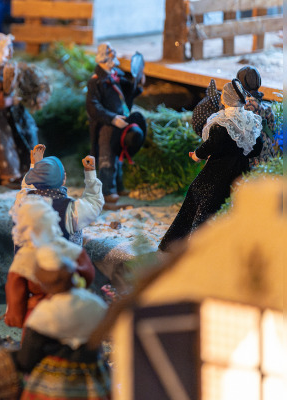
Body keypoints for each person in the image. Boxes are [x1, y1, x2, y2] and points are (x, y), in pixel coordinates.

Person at [158, 80, 264, 251]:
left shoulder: (223, 121)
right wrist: (241, 152)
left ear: (226, 99)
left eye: (223, 94)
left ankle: (187, 243)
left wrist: (197, 155)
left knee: (201, 197)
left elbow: (213, 144)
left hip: (218, 171)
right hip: (239, 171)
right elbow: (256, 149)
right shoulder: (250, 121)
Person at [10, 244, 111, 400]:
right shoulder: (95, 303)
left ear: (43, 284)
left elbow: (29, 355)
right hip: (92, 369)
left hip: (53, 376)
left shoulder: (45, 312)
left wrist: (17, 364)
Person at [5, 197, 96, 331]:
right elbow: (88, 276)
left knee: (36, 344)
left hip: (40, 312)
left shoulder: (24, 258)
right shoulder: (72, 250)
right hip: (73, 305)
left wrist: (15, 316)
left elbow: (16, 292)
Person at [0, 33, 49, 187]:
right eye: (8, 48)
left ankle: (25, 170)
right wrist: (14, 100)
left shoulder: (4, 68)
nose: (11, 51)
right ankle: (8, 175)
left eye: (11, 47)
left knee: (22, 136)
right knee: (3, 144)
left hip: (7, 116)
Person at [86, 42, 146, 209]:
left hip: (121, 123)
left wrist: (138, 82)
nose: (114, 58)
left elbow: (129, 91)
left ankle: (117, 187)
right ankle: (107, 191)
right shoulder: (96, 82)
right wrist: (112, 118)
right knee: (107, 158)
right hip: (106, 126)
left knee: (118, 156)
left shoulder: (116, 75)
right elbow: (93, 107)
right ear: (104, 58)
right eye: (111, 55)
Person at [14, 144, 104, 246]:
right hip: (59, 260)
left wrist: (36, 167)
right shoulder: (70, 210)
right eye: (63, 172)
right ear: (63, 180)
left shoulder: (23, 200)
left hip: (28, 261)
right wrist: (90, 173)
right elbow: (94, 202)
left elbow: (28, 186)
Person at [237, 66, 277, 166]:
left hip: (247, 155)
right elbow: (272, 131)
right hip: (265, 154)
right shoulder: (267, 108)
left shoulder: (240, 108)